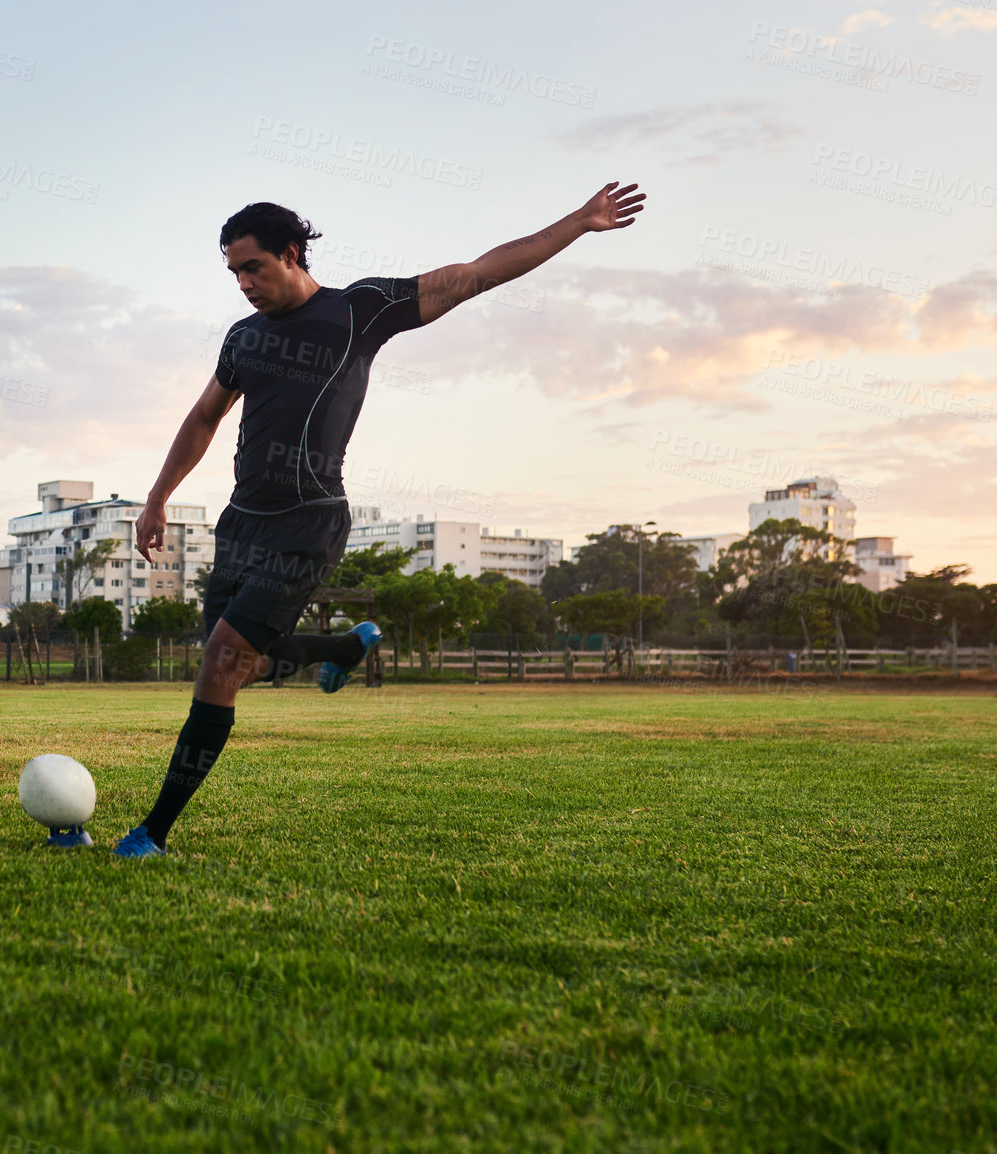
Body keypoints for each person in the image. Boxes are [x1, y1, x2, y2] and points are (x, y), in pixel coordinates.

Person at [114, 183, 646, 857]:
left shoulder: (357, 310)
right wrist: (159, 496)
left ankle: (152, 832)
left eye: (254, 267)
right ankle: (344, 649)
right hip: (242, 523)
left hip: (310, 520)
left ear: (292, 252)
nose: (243, 283)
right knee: (239, 660)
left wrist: (579, 222)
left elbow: (476, 274)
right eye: (234, 273)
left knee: (223, 662)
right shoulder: (242, 337)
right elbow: (203, 418)